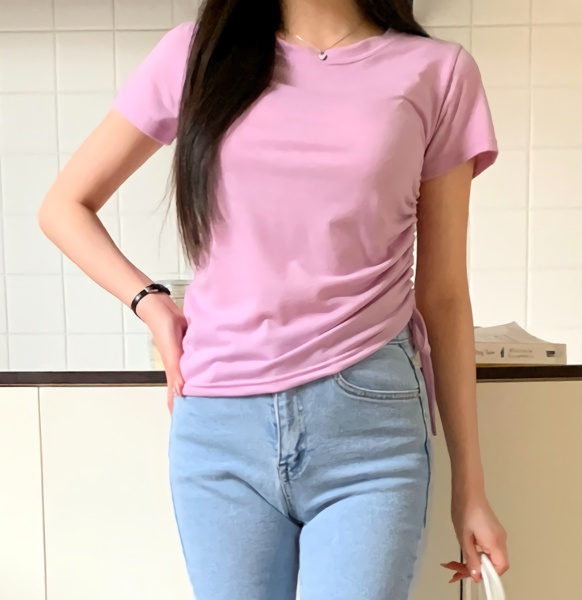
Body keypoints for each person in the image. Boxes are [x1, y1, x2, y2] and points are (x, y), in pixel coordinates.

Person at [39, 0, 509, 598]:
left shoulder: (438, 72)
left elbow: (443, 295)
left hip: (368, 428)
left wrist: (470, 486)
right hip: (220, 426)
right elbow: (64, 207)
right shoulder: (196, 55)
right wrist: (153, 305)